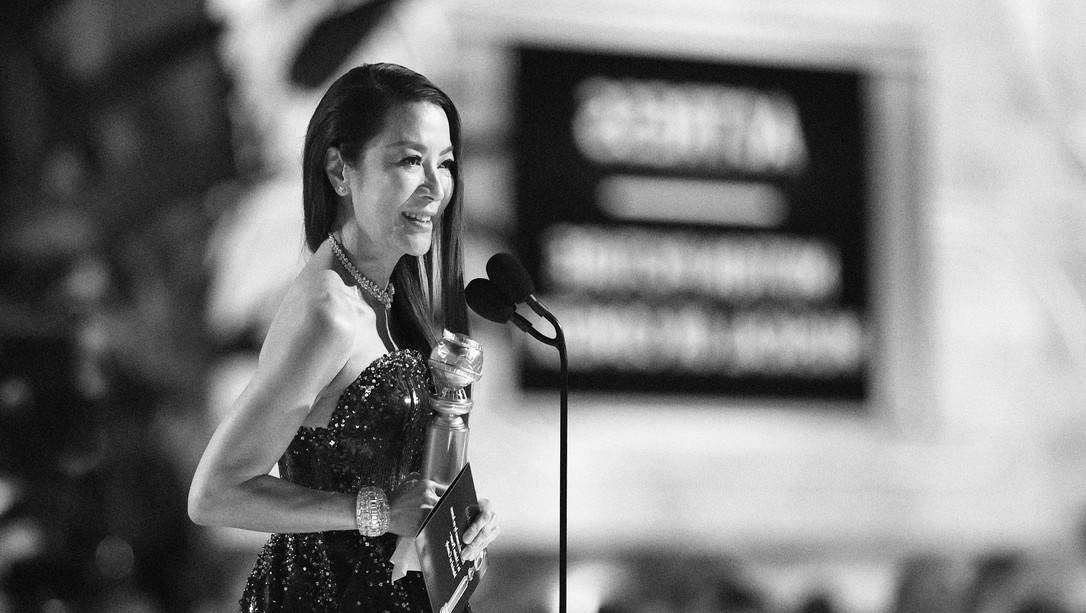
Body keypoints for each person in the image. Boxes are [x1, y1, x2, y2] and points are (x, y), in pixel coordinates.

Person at [188, 62, 499, 612]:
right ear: (339, 170)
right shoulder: (327, 313)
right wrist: (375, 510)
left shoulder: (393, 301)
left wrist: (452, 531)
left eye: (445, 164)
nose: (435, 187)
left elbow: (406, 487)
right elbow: (215, 493)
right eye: (409, 160)